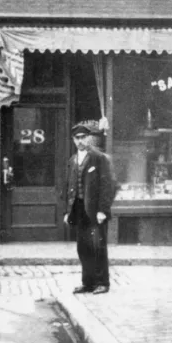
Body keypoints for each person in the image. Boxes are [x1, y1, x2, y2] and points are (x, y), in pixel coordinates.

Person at [61, 121, 116, 295]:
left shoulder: (99, 158)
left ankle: (102, 282)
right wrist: (67, 211)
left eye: (83, 137)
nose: (80, 141)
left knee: (98, 246)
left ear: (89, 138)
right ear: (73, 140)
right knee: (83, 247)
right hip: (79, 209)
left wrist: (102, 210)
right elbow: (68, 186)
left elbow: (108, 186)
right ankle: (88, 282)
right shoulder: (72, 160)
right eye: (77, 138)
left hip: (95, 211)